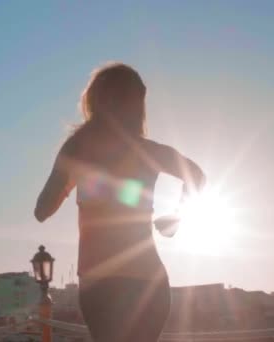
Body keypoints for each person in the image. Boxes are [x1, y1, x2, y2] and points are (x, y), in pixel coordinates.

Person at [34, 62, 206, 341]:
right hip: (148, 282)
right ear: (137, 104)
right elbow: (196, 175)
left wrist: (70, 176)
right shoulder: (147, 151)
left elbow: (42, 210)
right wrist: (177, 215)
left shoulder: (78, 149)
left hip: (100, 283)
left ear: (95, 100)